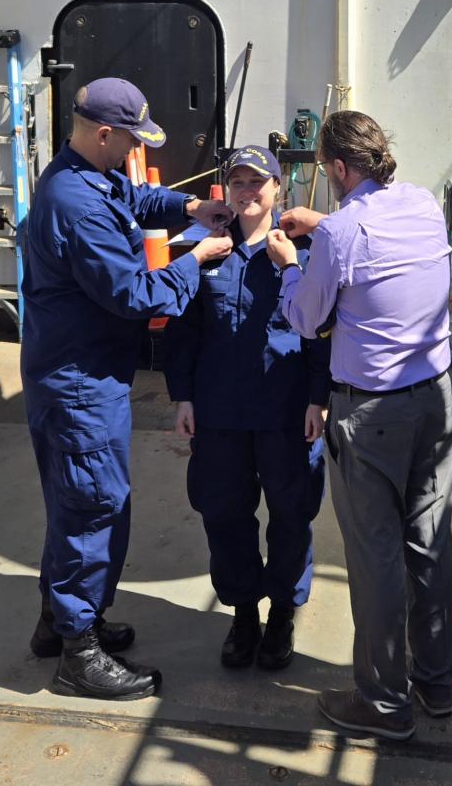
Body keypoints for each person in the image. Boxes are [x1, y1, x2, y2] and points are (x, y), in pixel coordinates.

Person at [21, 77, 234, 701]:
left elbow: (134, 199)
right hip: (81, 384)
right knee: (93, 506)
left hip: (78, 374)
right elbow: (134, 296)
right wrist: (196, 259)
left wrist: (188, 210)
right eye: (130, 140)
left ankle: (56, 623)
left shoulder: (83, 175)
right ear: (103, 133)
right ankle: (77, 654)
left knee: (76, 504)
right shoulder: (78, 206)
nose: (132, 151)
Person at [266, 110, 452, 741]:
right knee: (429, 543)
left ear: (340, 169)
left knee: (376, 559)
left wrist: (290, 260)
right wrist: (326, 227)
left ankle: (382, 703)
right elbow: (375, 246)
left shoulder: (343, 234)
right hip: (434, 400)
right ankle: (434, 681)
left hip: (371, 414)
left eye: (326, 170)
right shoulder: (424, 206)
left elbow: (306, 317)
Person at [164, 145, 330, 671]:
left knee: (290, 515)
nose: (247, 191)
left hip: (285, 413)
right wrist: (183, 396)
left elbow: (320, 335)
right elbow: (182, 333)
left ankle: (281, 613)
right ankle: (242, 614)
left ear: (278, 189)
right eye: (237, 181)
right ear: (226, 191)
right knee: (224, 516)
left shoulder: (300, 254)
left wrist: (318, 399)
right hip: (219, 414)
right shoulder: (203, 252)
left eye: (258, 181)